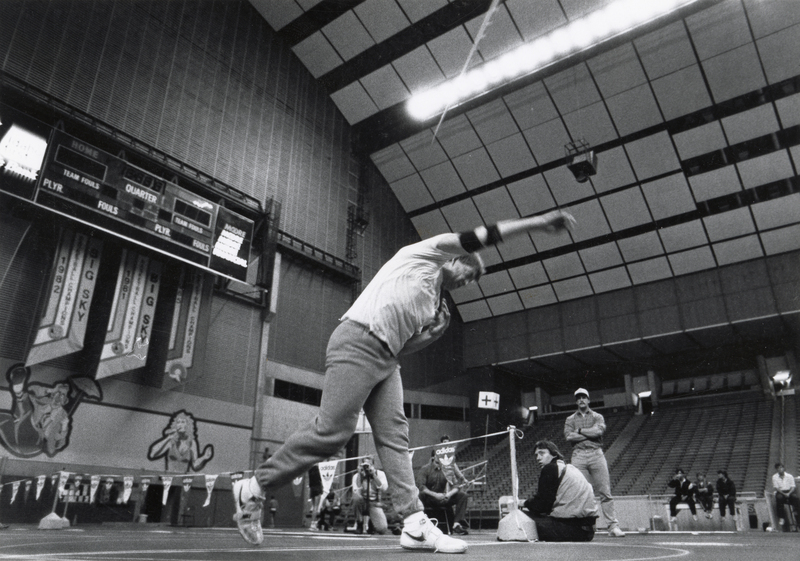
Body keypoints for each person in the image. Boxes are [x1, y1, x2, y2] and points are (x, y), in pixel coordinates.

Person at [231, 210, 576, 553]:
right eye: (466, 272)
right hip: (357, 340)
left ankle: (413, 524)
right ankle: (254, 488)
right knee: (332, 432)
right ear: (454, 260)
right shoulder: (425, 255)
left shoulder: (432, 305)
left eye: (471, 281)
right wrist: (537, 224)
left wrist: (432, 336)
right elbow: (476, 236)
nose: (464, 281)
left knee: (396, 436)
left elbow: (403, 344)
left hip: (387, 358)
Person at [564, 388, 625, 537]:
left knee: (605, 491)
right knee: (583, 493)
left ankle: (613, 527)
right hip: (578, 455)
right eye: (578, 398)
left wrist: (578, 431)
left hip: (596, 454)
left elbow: (598, 433)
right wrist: (588, 433)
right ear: (576, 401)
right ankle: (588, 527)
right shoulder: (570, 419)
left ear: (588, 400)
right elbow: (568, 437)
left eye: (584, 397)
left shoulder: (598, 416)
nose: (581, 400)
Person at [522, 440, 597, 542]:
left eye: (542, 453)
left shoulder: (550, 468)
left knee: (520, 515)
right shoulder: (569, 468)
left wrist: (524, 503)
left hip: (569, 530)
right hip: (587, 532)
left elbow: (542, 505)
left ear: (553, 454)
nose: (538, 458)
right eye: (536, 455)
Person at [416, 443, 470, 536]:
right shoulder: (425, 469)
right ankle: (420, 524)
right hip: (429, 498)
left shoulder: (448, 469)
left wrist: (448, 495)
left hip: (443, 497)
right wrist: (435, 495)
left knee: (462, 495)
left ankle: (456, 524)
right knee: (420, 495)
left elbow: (456, 485)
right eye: (439, 456)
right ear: (434, 457)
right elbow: (421, 486)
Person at [351, 456, 389, 534]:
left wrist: (374, 476)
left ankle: (372, 524)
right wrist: (359, 475)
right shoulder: (356, 476)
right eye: (365, 465)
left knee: (382, 529)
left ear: (373, 465)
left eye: (369, 465)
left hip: (374, 503)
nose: (366, 467)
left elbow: (384, 488)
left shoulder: (380, 474)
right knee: (355, 498)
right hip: (362, 502)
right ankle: (359, 523)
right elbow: (356, 492)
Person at [772, 462, 800, 527]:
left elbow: (793, 486)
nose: (780, 469)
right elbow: (776, 487)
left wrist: (789, 493)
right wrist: (784, 494)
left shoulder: (790, 476)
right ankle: (781, 517)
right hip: (781, 492)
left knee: (796, 499)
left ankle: (798, 518)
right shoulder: (774, 477)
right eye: (778, 468)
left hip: (789, 491)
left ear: (783, 468)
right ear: (776, 469)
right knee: (779, 498)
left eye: (781, 467)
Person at [307, 465, 324, 530]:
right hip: (317, 487)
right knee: (316, 507)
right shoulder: (317, 471)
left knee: (314, 506)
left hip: (312, 488)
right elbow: (320, 479)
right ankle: (313, 524)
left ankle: (313, 523)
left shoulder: (309, 470)